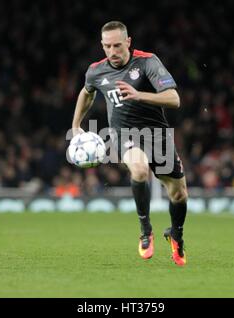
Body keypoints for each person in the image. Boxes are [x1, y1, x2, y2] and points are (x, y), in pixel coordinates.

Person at [71, 21, 188, 266]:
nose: (112, 51)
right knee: (139, 169)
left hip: (157, 135)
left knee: (178, 194)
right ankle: (146, 230)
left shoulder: (147, 62)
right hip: (124, 134)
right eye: (106, 46)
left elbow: (174, 99)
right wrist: (76, 125)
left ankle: (176, 234)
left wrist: (139, 95)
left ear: (128, 42)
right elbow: (87, 91)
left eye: (117, 45)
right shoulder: (96, 71)